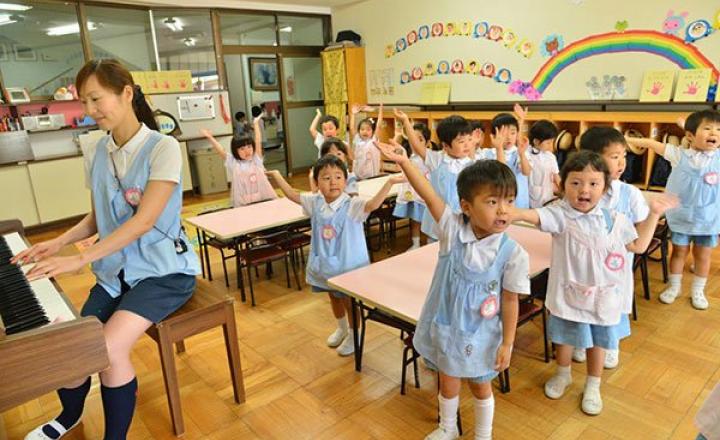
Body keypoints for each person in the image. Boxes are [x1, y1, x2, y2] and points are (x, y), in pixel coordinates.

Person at [15, 58, 200, 440]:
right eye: (83, 102)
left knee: (110, 350)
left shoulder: (162, 148)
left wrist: (80, 259)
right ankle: (68, 418)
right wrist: (59, 241)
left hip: (163, 271)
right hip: (117, 270)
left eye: (96, 99)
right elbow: (102, 212)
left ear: (126, 93)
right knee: (74, 345)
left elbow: (143, 221)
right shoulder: (98, 150)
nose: (89, 111)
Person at [377, 140, 528, 440]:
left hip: (483, 334)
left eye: (509, 201)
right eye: (492, 201)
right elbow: (429, 194)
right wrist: (405, 163)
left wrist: (508, 343)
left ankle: (483, 434)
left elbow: (510, 301)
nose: (503, 210)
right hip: (447, 327)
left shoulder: (513, 253)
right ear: (466, 207)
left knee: (481, 385)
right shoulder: (451, 230)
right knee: (448, 380)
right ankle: (448, 427)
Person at [511, 150, 676, 415]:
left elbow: (639, 245)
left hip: (604, 298)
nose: (583, 190)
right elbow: (534, 217)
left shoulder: (615, 219)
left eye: (593, 183)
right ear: (562, 185)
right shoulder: (560, 214)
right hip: (569, 294)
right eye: (575, 183)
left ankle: (593, 384)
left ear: (605, 187)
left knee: (598, 343)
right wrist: (512, 212)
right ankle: (563, 374)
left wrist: (654, 214)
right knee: (565, 338)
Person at [266, 157, 403, 356]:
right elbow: (293, 195)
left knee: (349, 302)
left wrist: (389, 182)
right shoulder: (316, 202)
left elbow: (373, 205)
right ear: (317, 183)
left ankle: (354, 335)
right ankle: (342, 328)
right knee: (333, 296)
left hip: (349, 267)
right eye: (326, 178)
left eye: (338, 177)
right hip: (327, 265)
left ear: (346, 181)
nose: (333, 182)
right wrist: (278, 176)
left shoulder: (352, 204)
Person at [572, 126, 650, 368]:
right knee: (584, 300)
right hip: (585, 264)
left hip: (616, 267)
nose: (622, 162)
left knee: (612, 304)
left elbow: (641, 226)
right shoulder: (579, 191)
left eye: (623, 156)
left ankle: (611, 343)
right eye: (614, 156)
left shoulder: (630, 193)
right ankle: (583, 340)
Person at [626, 109, 720, 310]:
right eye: (708, 128)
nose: (714, 133)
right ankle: (674, 286)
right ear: (690, 136)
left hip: (708, 219)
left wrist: (684, 123)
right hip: (682, 216)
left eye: (718, 130)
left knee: (703, 256)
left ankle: (698, 290)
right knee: (678, 252)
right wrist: (629, 140)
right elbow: (653, 144)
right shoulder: (679, 155)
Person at [394, 109, 474, 241]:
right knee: (434, 252)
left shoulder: (472, 165)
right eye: (461, 141)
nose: (467, 145)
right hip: (436, 221)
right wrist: (406, 121)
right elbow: (416, 146)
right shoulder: (437, 159)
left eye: (469, 140)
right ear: (446, 146)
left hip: (461, 220)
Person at [201, 115, 276, 207]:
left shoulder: (256, 159)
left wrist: (256, 124)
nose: (247, 151)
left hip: (262, 197)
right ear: (235, 151)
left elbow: (258, 141)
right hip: (242, 200)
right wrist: (210, 137)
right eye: (242, 149)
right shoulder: (234, 162)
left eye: (249, 147)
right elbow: (221, 151)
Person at [484, 106, 532, 209]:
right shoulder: (488, 154)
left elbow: (526, 172)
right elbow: (502, 173)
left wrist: (522, 154)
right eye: (504, 134)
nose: (509, 137)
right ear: (493, 135)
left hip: (519, 202)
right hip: (497, 203)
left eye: (513, 133)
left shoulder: (520, 151)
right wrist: (499, 148)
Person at [527, 120, 560, 208]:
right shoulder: (527, 153)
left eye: (552, 142)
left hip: (548, 197)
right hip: (532, 198)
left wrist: (564, 191)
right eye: (548, 143)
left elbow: (556, 177)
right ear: (536, 142)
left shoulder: (551, 156)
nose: (551, 146)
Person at [349, 104, 383, 179]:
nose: (365, 132)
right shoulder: (357, 139)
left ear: (372, 132)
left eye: (368, 129)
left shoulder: (373, 140)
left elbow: (379, 125)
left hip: (371, 175)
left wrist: (380, 110)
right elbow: (351, 128)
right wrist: (353, 114)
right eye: (362, 129)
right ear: (359, 131)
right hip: (357, 174)